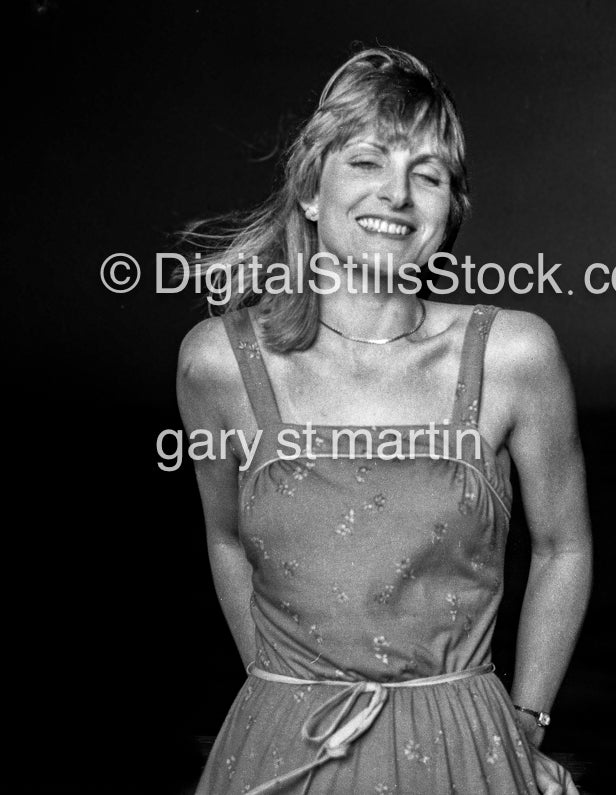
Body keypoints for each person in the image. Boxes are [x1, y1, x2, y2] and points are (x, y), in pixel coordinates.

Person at [178, 45, 592, 795]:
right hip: (284, 752)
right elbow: (225, 535)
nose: (397, 195)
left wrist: (524, 724)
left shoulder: (515, 355)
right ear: (310, 190)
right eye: (367, 162)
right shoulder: (218, 365)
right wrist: (281, 686)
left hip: (470, 747)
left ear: (450, 210)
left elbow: (565, 545)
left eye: (426, 174)